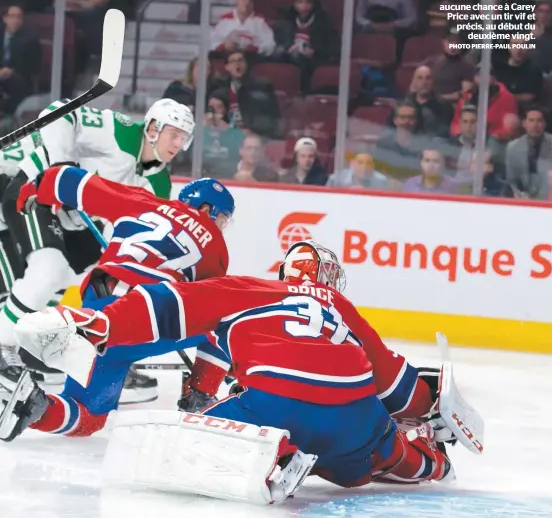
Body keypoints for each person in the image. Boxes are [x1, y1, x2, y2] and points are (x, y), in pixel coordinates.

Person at [7, 241, 454, 503]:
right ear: (331, 280)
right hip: (357, 412)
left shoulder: (252, 288)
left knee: (190, 437)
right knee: (368, 456)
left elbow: (167, 303)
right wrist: (431, 405)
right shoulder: (341, 306)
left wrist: (100, 322)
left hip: (274, 403)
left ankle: (277, 453)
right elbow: (397, 387)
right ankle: (427, 462)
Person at [0, 164, 234, 436]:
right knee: (228, 316)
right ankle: (199, 396)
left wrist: (34, 189)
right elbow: (210, 300)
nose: (222, 227)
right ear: (209, 210)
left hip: (97, 307)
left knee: (86, 412)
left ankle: (33, 405)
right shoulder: (216, 246)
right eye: (224, 219)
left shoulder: (143, 201)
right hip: (143, 317)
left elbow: (73, 180)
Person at [0, 98, 194, 403]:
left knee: (105, 283)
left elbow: (134, 234)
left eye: (185, 138)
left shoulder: (158, 184)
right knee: (48, 269)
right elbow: (57, 113)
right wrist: (61, 166)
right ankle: (3, 347)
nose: (179, 144)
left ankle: (91, 358)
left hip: (77, 220)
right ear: (154, 128)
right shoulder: (121, 131)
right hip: (39, 189)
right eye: (175, 134)